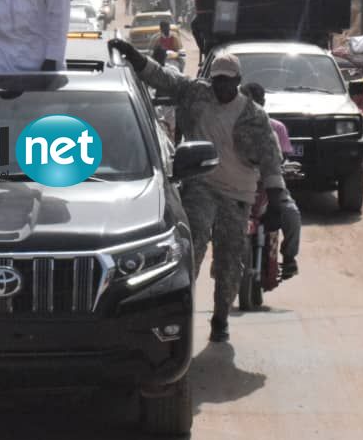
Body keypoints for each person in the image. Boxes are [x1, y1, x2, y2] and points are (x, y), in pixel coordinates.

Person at [108, 39, 285, 343]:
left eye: (227, 83)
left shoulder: (254, 116)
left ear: (238, 82)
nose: (221, 88)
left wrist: (278, 196)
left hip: (237, 194)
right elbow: (164, 78)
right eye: (217, 81)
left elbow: (271, 157)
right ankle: (180, 310)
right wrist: (135, 57)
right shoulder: (197, 94)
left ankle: (220, 318)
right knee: (195, 242)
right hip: (202, 183)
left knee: (231, 260)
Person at [241, 83, 302, 279]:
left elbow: (281, 160)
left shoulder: (276, 128)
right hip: (239, 184)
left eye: (255, 102)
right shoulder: (231, 126)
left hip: (269, 187)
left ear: (263, 103)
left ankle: (290, 258)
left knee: (291, 215)